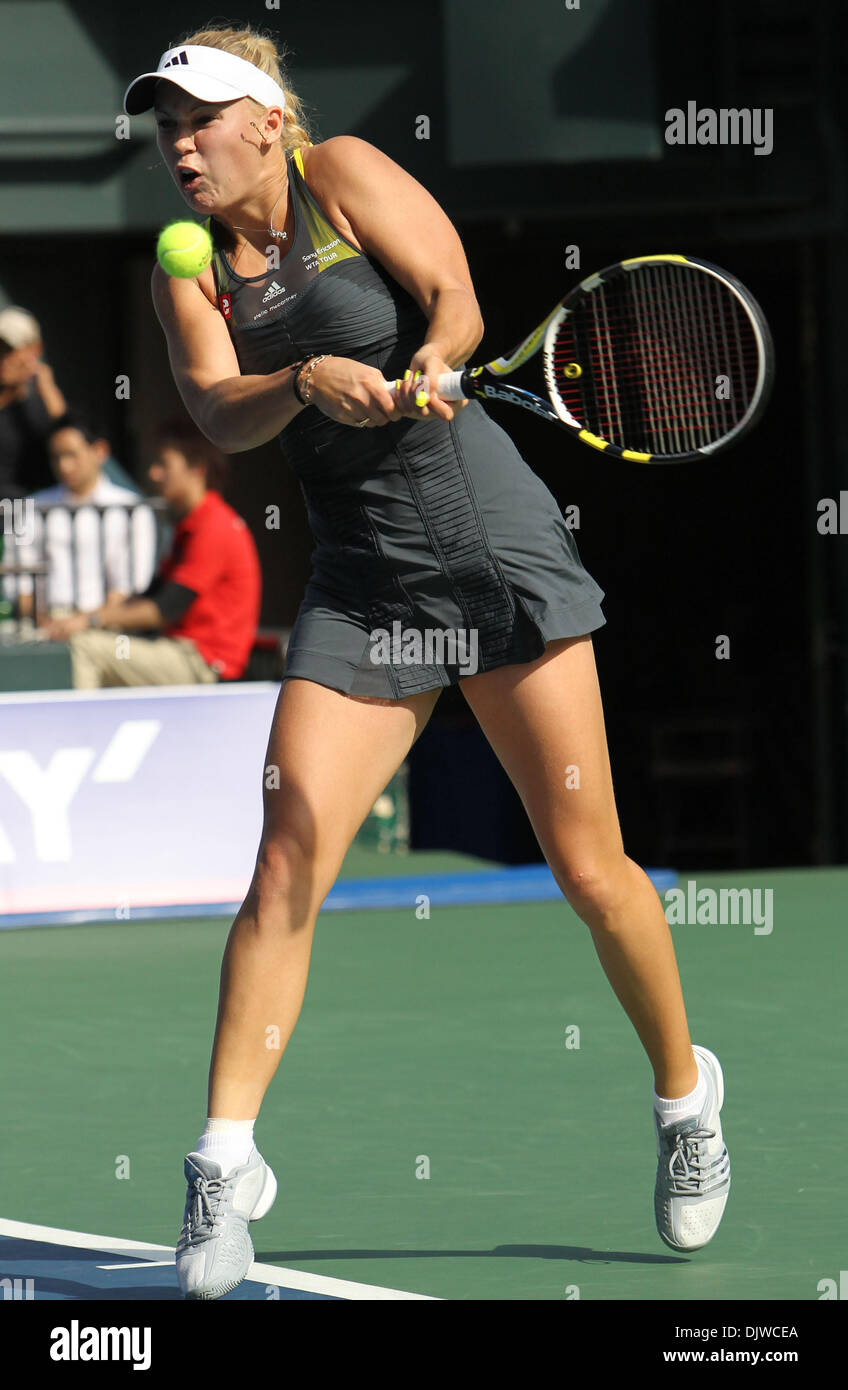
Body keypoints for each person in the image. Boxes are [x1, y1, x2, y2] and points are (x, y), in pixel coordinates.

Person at [124, 24, 731, 1300]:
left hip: (493, 554)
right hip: (362, 586)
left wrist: (437, 358)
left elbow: (451, 297)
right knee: (285, 860)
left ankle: (684, 1099)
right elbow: (220, 412)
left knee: (589, 868)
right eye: (162, 124)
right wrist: (305, 375)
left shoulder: (343, 171)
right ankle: (224, 1165)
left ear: (265, 121)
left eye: (196, 119)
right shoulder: (190, 265)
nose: (176, 144)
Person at [45, 415, 261, 687]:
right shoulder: (188, 524)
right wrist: (80, 620)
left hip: (202, 661)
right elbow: (150, 596)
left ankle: (77, 729)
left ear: (197, 469)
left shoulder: (215, 524)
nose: (153, 474)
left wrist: (90, 621)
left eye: (163, 464)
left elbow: (165, 608)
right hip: (174, 651)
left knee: (85, 647)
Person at [11, 411, 158, 622]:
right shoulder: (31, 507)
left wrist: (88, 623)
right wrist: (48, 624)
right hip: (42, 631)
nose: (64, 466)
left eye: (72, 455)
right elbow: (18, 586)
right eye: (56, 457)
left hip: (107, 633)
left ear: (99, 451)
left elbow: (131, 586)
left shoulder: (132, 509)